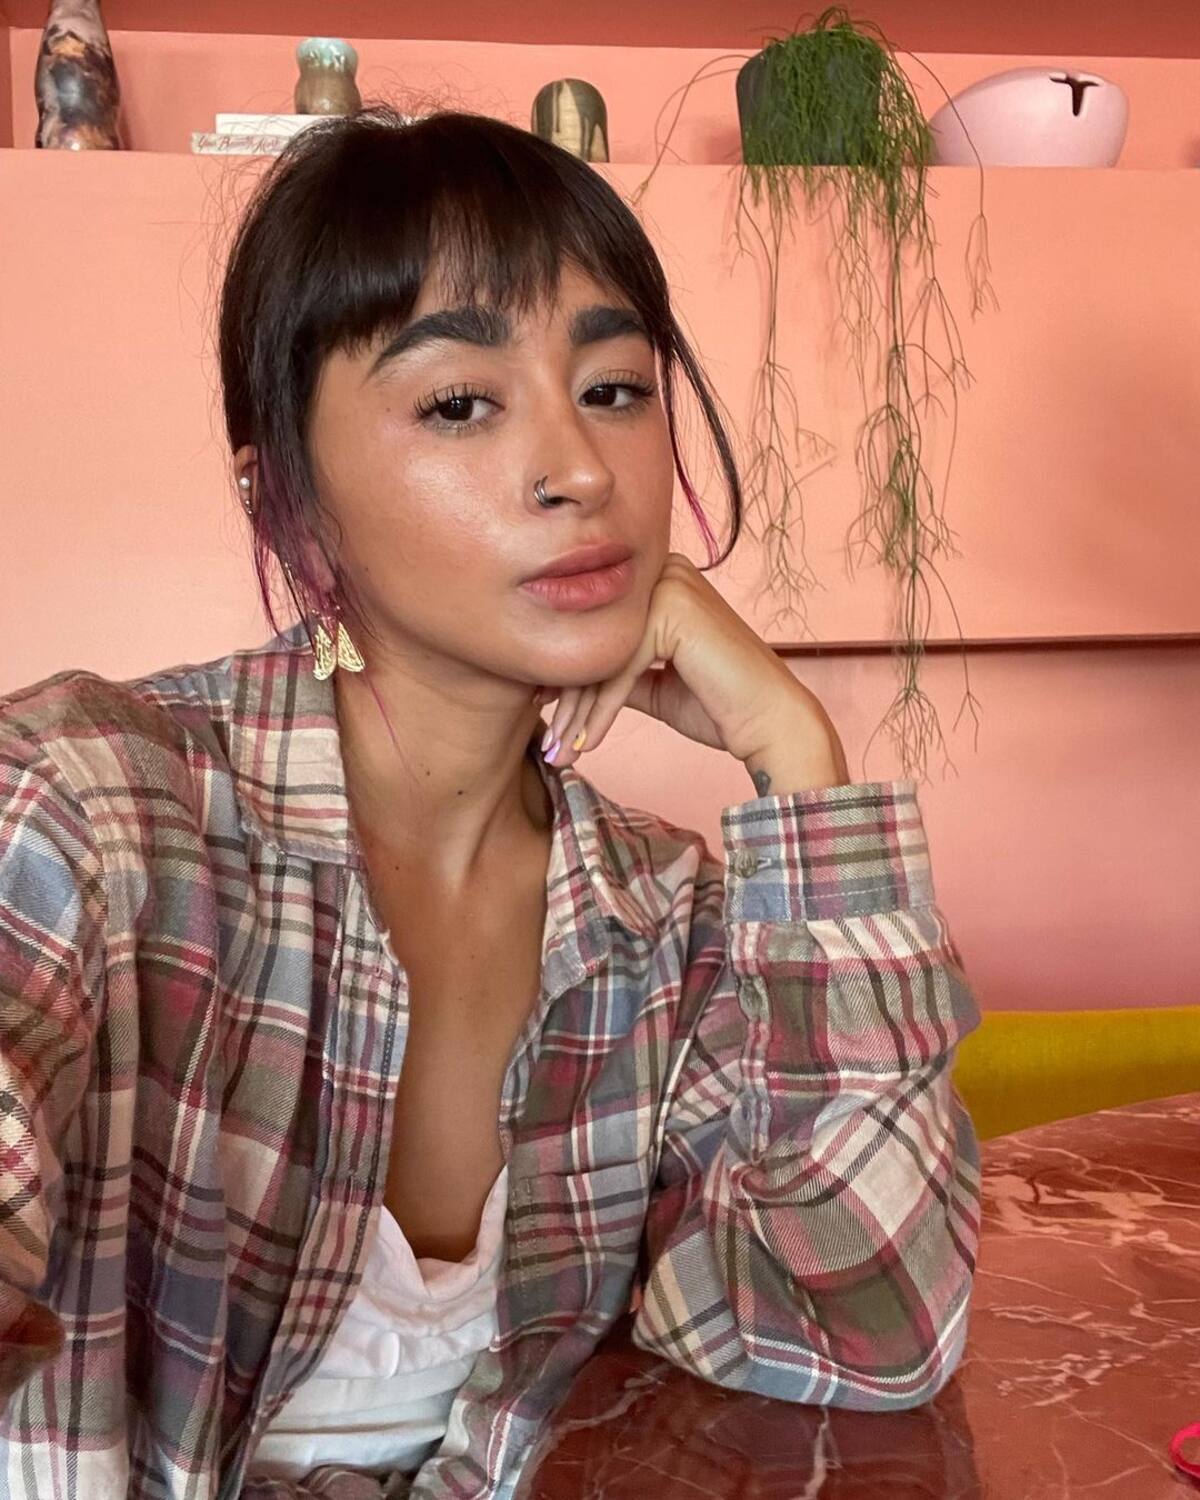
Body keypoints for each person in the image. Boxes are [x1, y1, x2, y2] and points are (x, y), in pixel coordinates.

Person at [0, 105, 982, 1499]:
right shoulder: (92, 809)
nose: (580, 470)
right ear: (285, 497)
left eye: (616, 388)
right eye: (460, 403)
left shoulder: (670, 919)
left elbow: (860, 1329)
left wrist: (798, 763)